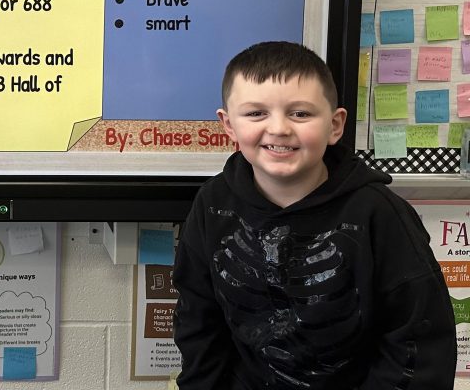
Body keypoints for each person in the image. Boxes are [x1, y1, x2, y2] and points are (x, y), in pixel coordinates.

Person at [172, 41, 456, 389]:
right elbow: (198, 323)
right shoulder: (213, 204)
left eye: (301, 113)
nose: (278, 128)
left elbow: (420, 342)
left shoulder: (379, 214)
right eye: (256, 113)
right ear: (228, 125)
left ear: (335, 125)